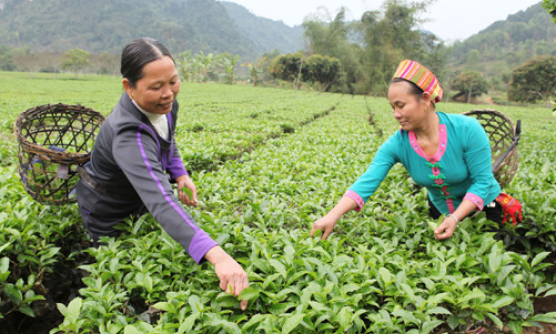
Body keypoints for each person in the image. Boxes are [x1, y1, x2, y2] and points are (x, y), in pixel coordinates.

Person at [76, 38, 249, 310]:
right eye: (156, 87)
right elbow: (161, 201)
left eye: (173, 81)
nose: (168, 93)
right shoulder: (128, 134)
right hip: (106, 207)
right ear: (128, 87)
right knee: (114, 273)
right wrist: (219, 257)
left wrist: (180, 173)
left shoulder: (165, 106)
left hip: (136, 197)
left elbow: (166, 142)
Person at [311, 60, 502, 241]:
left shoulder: (467, 129)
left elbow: (483, 182)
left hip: (483, 212)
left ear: (426, 100)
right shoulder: (397, 144)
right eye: (393, 107)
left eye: (401, 106)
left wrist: (455, 218)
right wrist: (332, 215)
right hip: (439, 214)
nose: (396, 114)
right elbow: (368, 180)